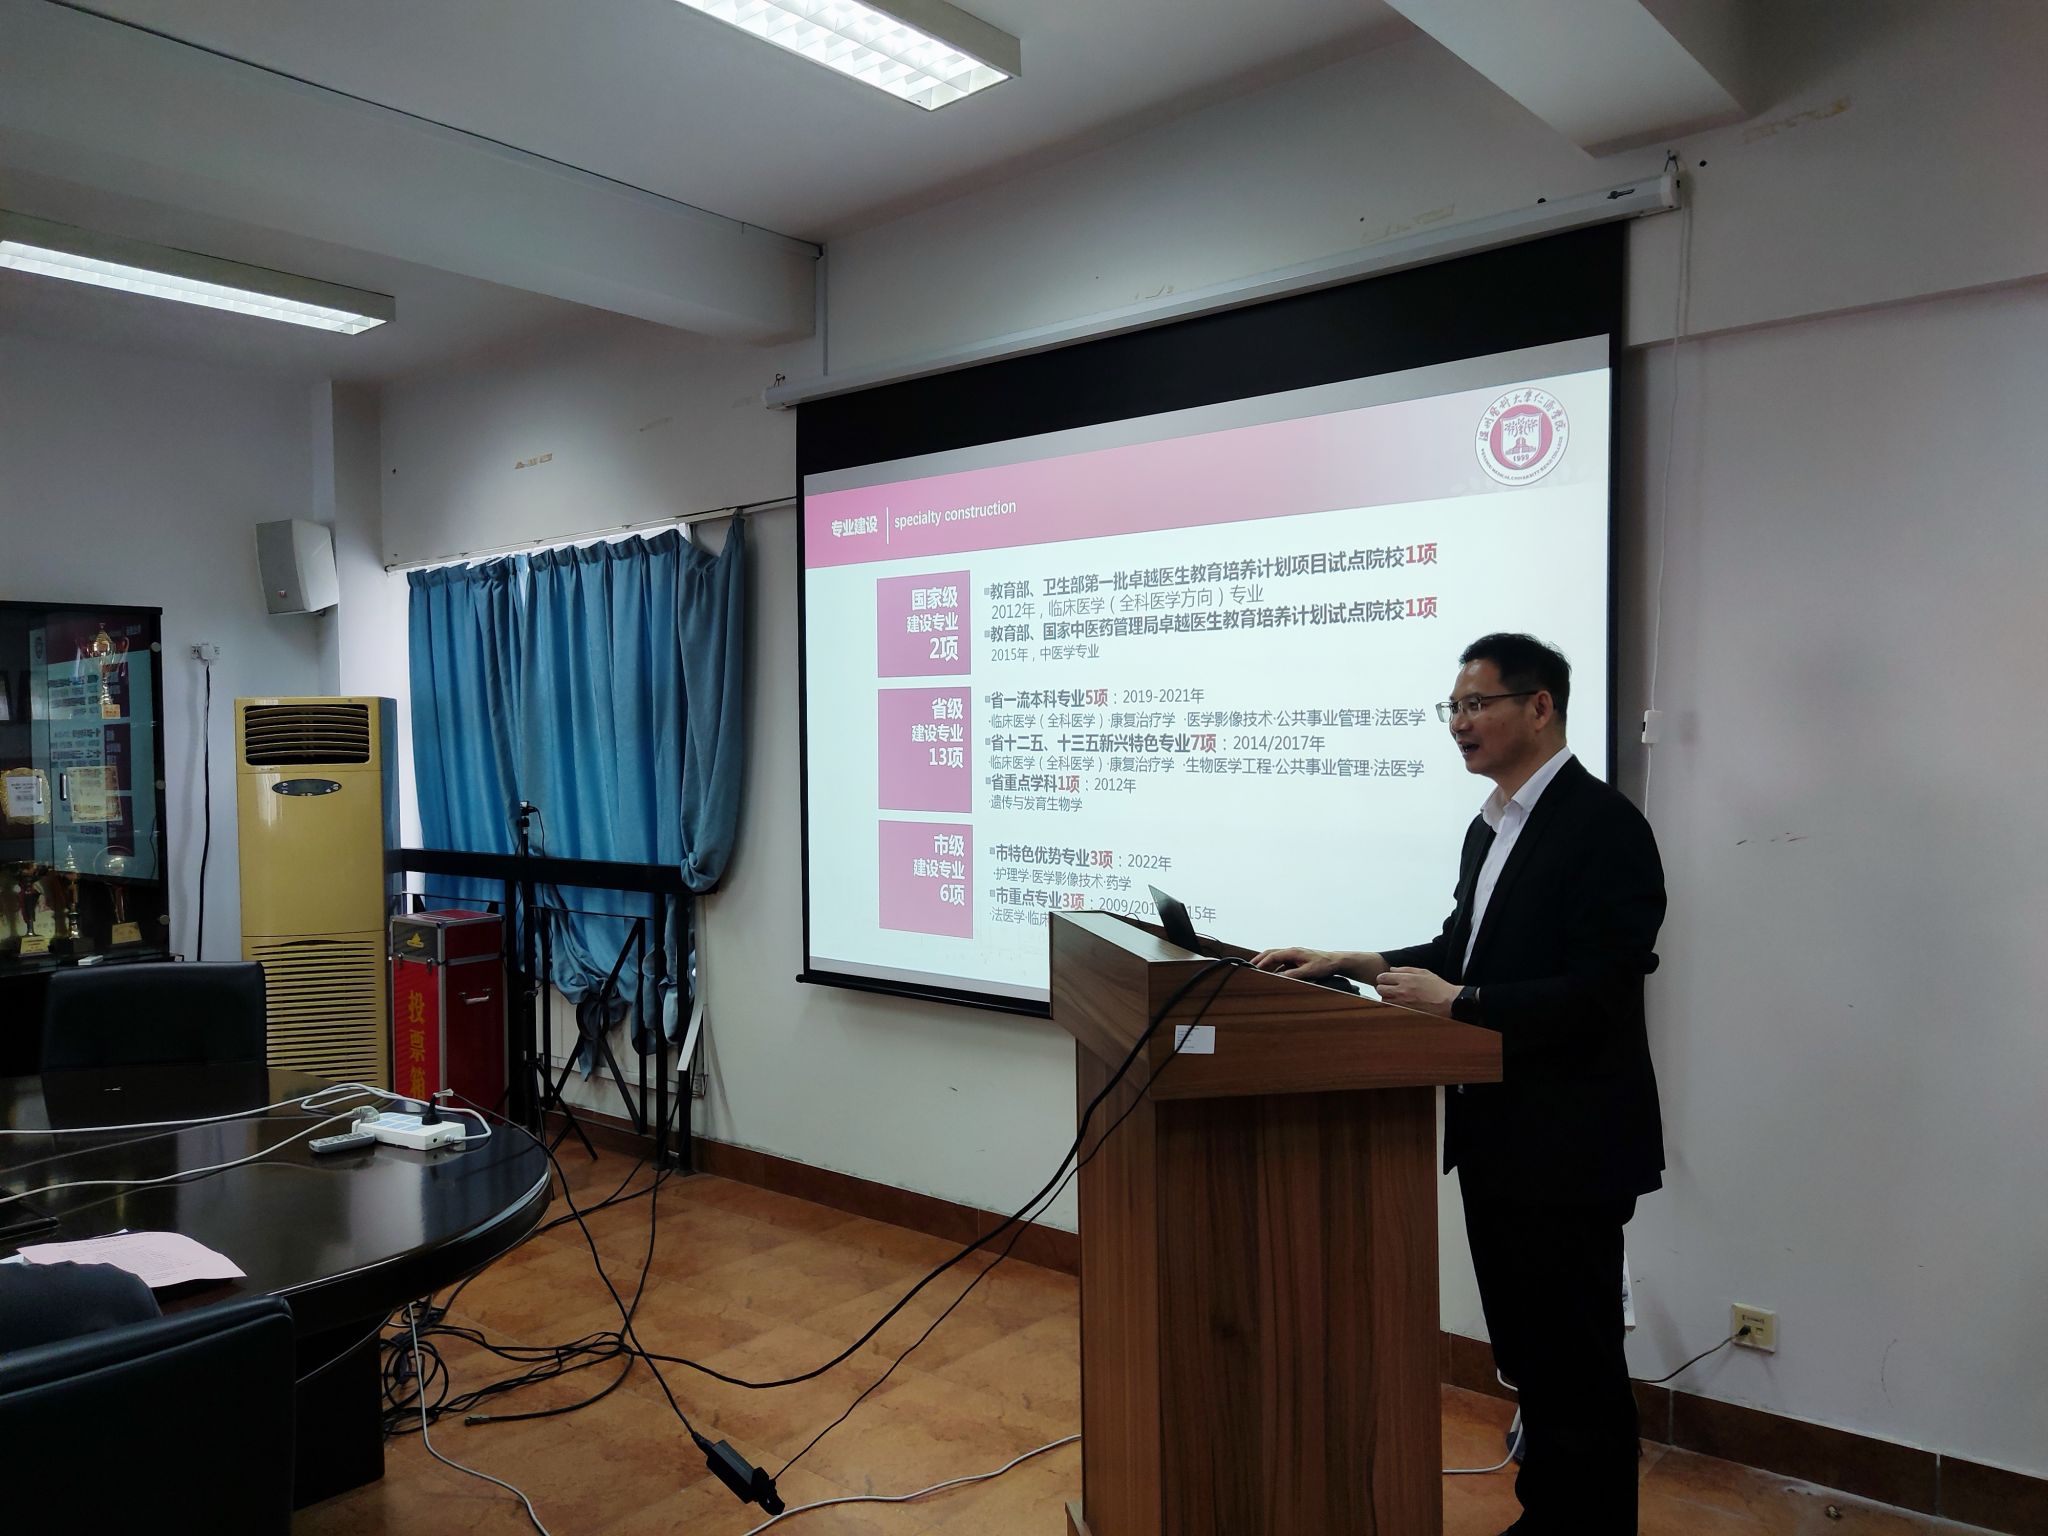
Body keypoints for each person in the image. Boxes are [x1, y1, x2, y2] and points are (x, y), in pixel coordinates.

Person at [1254, 632, 1665, 1535]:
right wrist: (1356, 961)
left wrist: (1464, 1003)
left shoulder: (1603, 826)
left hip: (1571, 1145)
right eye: (1452, 707)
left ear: (1540, 707)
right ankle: (1547, 1515)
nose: (1458, 724)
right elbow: (1459, 951)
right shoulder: (1491, 826)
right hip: (1496, 1135)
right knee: (1533, 1356)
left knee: (1577, 1362)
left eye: (1476, 705)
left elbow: (1601, 991)